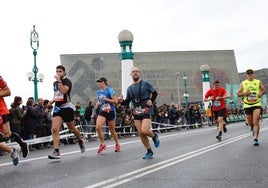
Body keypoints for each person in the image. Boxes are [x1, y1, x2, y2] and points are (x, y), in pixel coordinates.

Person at [118, 66, 159, 159]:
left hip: (146, 109)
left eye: (137, 71)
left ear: (139, 73)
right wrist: (121, 101)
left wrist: (151, 100)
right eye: (133, 71)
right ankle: (149, 151)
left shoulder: (145, 84)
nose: (135, 73)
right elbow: (127, 102)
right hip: (136, 111)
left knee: (145, 130)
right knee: (141, 133)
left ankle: (154, 136)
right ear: (131, 74)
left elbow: (155, 93)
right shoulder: (129, 88)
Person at [48, 65, 85, 159]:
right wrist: (52, 100)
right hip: (57, 107)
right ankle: (56, 151)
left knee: (71, 128)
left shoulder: (67, 81)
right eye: (57, 71)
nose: (58, 73)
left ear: (64, 72)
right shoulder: (54, 83)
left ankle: (80, 140)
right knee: (55, 129)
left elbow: (64, 91)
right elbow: (57, 93)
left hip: (67, 107)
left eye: (60, 71)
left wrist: (59, 81)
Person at [0, 76, 29, 165]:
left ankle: (20, 146)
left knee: (7, 134)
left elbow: (8, 91)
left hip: (1, 110)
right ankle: (12, 150)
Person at [237, 69, 266, 146]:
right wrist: (245, 93)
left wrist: (261, 93)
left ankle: (255, 138)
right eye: (248, 73)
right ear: (246, 75)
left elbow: (264, 90)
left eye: (251, 73)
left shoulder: (258, 82)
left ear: (253, 74)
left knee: (256, 120)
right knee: (250, 122)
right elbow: (238, 94)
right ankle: (252, 127)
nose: (250, 74)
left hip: (257, 103)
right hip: (247, 104)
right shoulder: (243, 83)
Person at [95, 77, 120, 153]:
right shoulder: (98, 92)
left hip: (111, 111)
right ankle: (102, 144)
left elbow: (116, 101)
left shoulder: (110, 90)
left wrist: (107, 99)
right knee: (98, 127)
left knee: (112, 131)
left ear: (105, 82)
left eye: (100, 82)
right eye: (98, 82)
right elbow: (99, 101)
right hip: (102, 111)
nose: (99, 83)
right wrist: (98, 104)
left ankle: (117, 144)